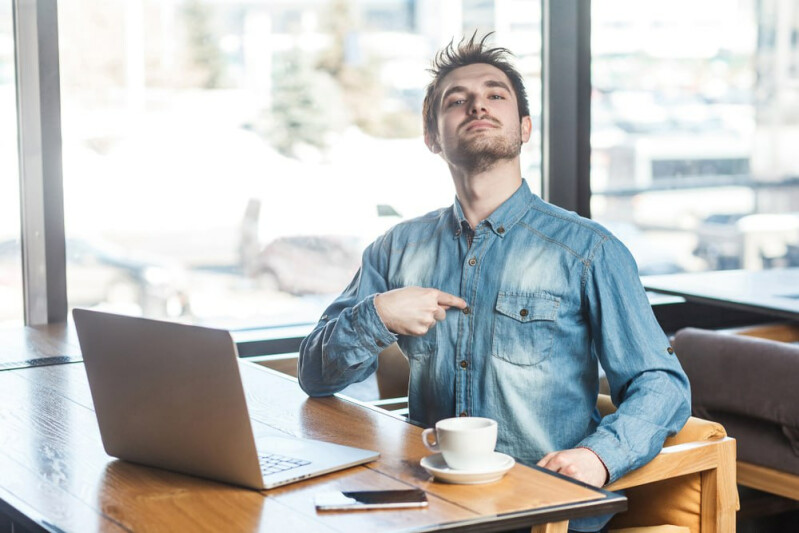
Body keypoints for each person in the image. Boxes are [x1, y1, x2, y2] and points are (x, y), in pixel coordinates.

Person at [298, 33, 690, 532]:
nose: (477, 104)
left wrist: (599, 458)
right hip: (430, 506)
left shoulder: (590, 251)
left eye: (495, 95)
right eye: (456, 100)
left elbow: (663, 385)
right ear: (432, 138)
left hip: (544, 512)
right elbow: (315, 376)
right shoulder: (395, 248)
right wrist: (377, 315)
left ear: (524, 128)